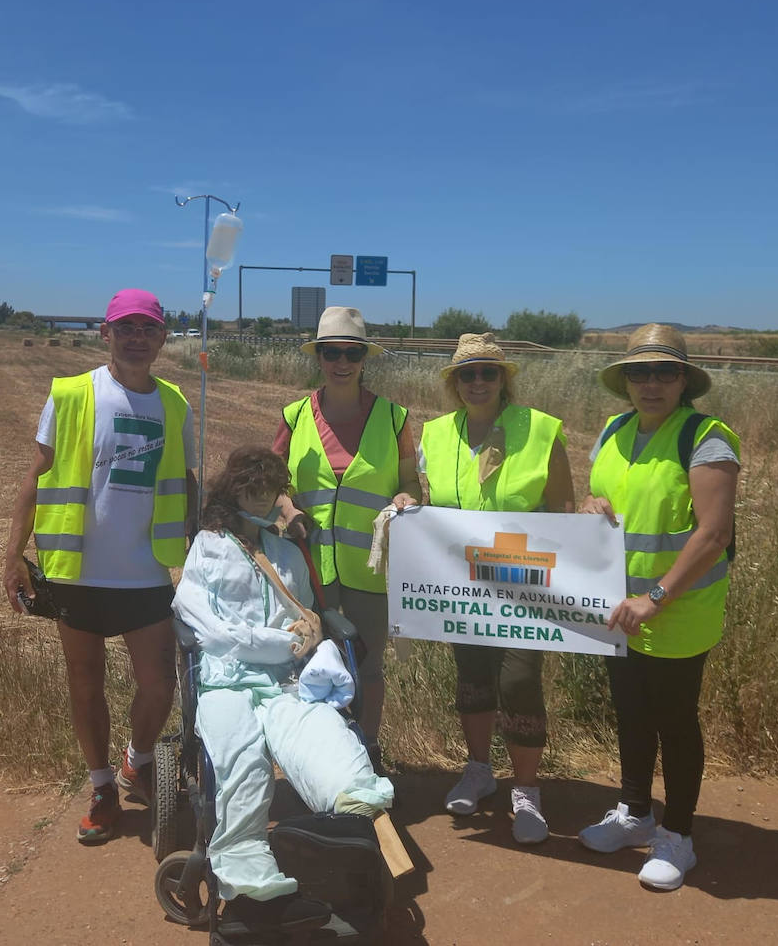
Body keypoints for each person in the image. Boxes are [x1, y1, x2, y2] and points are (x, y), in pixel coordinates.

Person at [2, 288, 198, 845]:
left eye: (149, 328)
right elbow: (35, 476)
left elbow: (186, 484)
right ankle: (103, 789)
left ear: (163, 338)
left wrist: (204, 545)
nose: (138, 337)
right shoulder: (71, 394)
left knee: (158, 685)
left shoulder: (177, 403)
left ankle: (137, 760)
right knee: (84, 684)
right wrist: (13, 553)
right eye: (126, 327)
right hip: (75, 571)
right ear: (105, 334)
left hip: (145, 572)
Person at [173, 445, 395, 935]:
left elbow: (309, 619)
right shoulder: (206, 549)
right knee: (241, 762)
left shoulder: (288, 554)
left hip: (286, 682)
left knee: (324, 740)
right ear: (231, 492)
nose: (258, 497)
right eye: (249, 488)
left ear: (278, 494)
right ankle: (250, 880)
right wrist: (282, 644)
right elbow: (211, 633)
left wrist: (304, 645)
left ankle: (337, 842)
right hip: (227, 682)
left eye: (267, 489)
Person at [575, 323, 740, 891]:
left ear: (684, 380)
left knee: (674, 723)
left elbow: (714, 534)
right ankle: (635, 813)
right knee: (631, 716)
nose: (651, 383)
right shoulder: (613, 430)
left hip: (676, 613)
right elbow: (606, 501)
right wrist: (591, 502)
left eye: (664, 372)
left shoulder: (705, 437)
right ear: (624, 381)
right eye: (639, 372)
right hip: (617, 611)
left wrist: (658, 596)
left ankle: (678, 835)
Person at [418, 332, 575, 844]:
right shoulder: (436, 435)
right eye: (468, 374)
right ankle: (480, 769)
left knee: (518, 682)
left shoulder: (541, 431)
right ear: (454, 383)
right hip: (463, 585)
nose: (478, 381)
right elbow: (432, 505)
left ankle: (526, 791)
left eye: (488, 372)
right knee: (473, 677)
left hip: (525, 585)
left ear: (504, 379)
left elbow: (563, 513)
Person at [272, 307, 420, 764]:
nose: (342, 361)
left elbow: (411, 483)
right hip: (309, 568)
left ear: (363, 358)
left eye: (351, 353)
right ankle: (323, 753)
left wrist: (406, 500)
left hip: (370, 573)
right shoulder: (294, 416)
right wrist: (287, 506)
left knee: (369, 665)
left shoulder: (394, 418)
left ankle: (368, 746)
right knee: (312, 662)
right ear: (318, 357)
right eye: (331, 352)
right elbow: (269, 479)